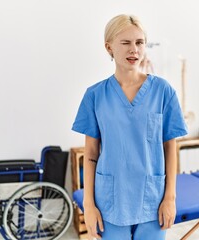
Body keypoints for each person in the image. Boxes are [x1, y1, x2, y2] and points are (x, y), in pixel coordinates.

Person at [72, 14, 188, 240]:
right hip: (111, 201)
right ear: (109, 47)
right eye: (125, 43)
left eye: (139, 42)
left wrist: (170, 198)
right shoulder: (95, 95)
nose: (133, 49)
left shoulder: (163, 91)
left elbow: (170, 149)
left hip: (152, 199)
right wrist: (89, 205)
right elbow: (91, 155)